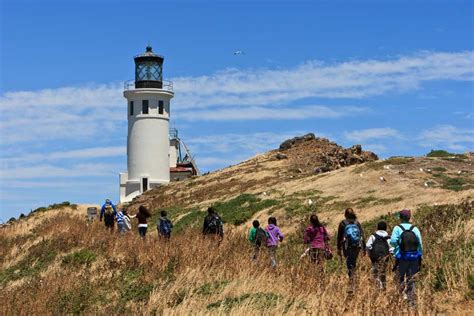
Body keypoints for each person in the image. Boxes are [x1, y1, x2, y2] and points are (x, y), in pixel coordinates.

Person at [390, 209, 423, 308]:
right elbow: (420, 244)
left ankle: (400, 298)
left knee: (399, 278)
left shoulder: (397, 228)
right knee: (411, 279)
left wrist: (396, 249)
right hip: (414, 257)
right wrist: (419, 255)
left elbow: (392, 241)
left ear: (400, 218)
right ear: (409, 218)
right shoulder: (415, 228)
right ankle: (411, 303)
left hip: (402, 257)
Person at [337, 208, 365, 293]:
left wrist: (338, 248)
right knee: (354, 262)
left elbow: (339, 237)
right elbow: (362, 236)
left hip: (347, 247)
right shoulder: (357, 223)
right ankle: (353, 280)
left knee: (349, 263)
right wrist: (364, 248)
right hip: (357, 246)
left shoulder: (343, 223)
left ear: (345, 215)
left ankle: (352, 282)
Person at [366, 220, 393, 290]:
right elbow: (391, 248)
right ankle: (383, 287)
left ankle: (379, 286)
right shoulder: (388, 237)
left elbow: (368, 245)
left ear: (377, 228)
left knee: (375, 272)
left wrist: (370, 253)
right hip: (385, 257)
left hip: (375, 257)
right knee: (383, 271)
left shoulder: (373, 236)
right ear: (385, 228)